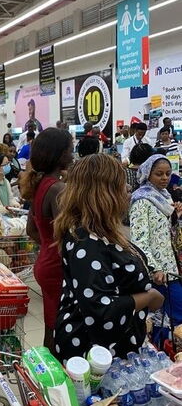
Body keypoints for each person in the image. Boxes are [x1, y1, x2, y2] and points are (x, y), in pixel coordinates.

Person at [52, 154, 164, 362]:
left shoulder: (103, 230)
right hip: (95, 356)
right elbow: (101, 309)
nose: (128, 189)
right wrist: (148, 298)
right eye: (121, 184)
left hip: (115, 346)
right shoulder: (85, 241)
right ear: (104, 192)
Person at [20, 128, 74, 349]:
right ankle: (54, 371)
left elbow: (31, 229)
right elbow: (68, 235)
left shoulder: (41, 185)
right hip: (57, 268)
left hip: (45, 263)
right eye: (70, 150)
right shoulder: (58, 189)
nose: (72, 155)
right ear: (59, 155)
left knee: (51, 322)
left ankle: (45, 368)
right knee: (60, 324)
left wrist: (48, 246)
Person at [130, 154, 182, 325]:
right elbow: (139, 240)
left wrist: (176, 216)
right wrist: (154, 268)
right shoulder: (141, 199)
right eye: (159, 174)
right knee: (169, 317)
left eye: (168, 173)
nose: (165, 178)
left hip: (171, 268)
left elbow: (168, 233)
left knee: (170, 317)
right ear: (147, 174)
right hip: (157, 272)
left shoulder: (165, 196)